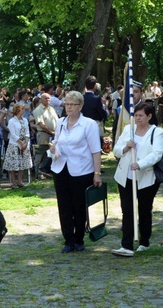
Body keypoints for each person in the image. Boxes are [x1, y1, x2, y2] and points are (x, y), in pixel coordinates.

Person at [49, 91, 102, 253]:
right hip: (61, 168)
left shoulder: (89, 124)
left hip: (81, 170)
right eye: (67, 104)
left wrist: (97, 173)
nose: (69, 107)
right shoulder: (61, 123)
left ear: (81, 106)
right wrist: (53, 147)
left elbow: (95, 151)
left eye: (72, 104)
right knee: (64, 206)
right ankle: (68, 240)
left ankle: (79, 238)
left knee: (79, 206)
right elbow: (56, 142)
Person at [110, 103, 163, 257]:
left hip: (146, 177)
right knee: (127, 210)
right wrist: (126, 147)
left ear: (149, 116)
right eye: (136, 115)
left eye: (141, 115)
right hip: (125, 177)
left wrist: (140, 164)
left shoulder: (157, 132)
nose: (138, 118)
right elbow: (116, 150)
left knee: (144, 209)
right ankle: (126, 245)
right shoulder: (129, 129)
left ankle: (144, 241)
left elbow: (157, 154)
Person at [3, 103, 32, 187]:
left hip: (24, 144)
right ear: (18, 110)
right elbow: (13, 134)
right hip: (14, 144)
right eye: (22, 109)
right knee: (13, 164)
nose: (24, 110)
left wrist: (26, 142)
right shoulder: (12, 121)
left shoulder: (25, 120)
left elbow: (27, 132)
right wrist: (21, 142)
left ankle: (20, 181)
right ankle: (13, 182)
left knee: (21, 163)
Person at [32, 92, 58, 178]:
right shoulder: (38, 110)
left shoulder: (52, 109)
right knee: (41, 152)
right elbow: (41, 125)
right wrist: (51, 132)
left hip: (53, 135)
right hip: (44, 134)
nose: (48, 100)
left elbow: (57, 121)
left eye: (49, 98)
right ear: (41, 100)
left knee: (52, 153)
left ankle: (47, 170)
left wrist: (56, 132)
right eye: (46, 98)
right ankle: (37, 173)